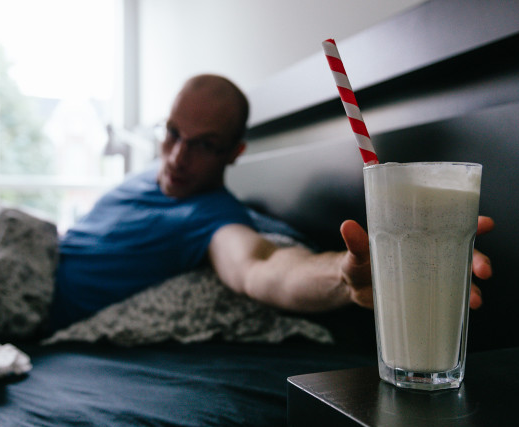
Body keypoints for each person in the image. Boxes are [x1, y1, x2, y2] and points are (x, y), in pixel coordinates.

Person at [49, 74, 494, 331]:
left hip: (43, 306)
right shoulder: (145, 178)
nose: (178, 156)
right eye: (173, 134)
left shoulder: (212, 216)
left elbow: (263, 267)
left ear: (234, 153)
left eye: (203, 145)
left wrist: (344, 274)